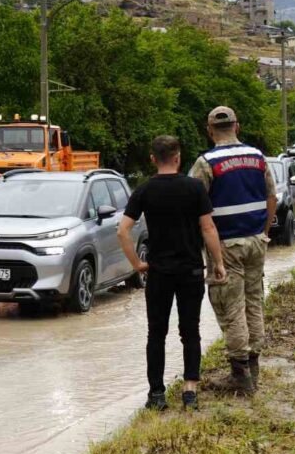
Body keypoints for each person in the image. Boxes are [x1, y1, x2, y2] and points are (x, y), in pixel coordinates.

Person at [119, 135, 225, 412]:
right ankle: (190, 390)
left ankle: (157, 394)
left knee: (156, 333)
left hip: (159, 273)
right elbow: (208, 229)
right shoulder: (195, 188)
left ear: (153, 159)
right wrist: (219, 263)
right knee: (190, 331)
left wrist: (136, 264)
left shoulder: (143, 191)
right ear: (178, 157)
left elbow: (122, 231)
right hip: (190, 270)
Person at [189, 106, 277, 397]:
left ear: (210, 129)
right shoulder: (257, 157)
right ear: (237, 127)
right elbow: (271, 196)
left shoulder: (206, 162)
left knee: (231, 306)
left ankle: (240, 376)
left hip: (226, 245)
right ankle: (253, 368)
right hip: (255, 241)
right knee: (254, 301)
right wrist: (264, 232)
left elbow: (194, 204)